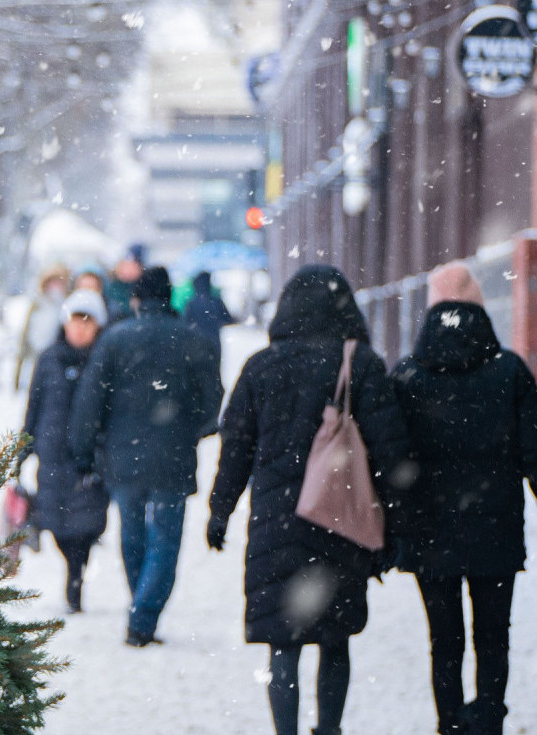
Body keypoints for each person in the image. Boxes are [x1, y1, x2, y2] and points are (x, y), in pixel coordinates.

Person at [206, 264, 409, 735]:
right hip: (343, 518)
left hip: (278, 524)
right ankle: (330, 729)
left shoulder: (261, 366)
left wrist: (221, 510)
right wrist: (396, 527)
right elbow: (390, 451)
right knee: (335, 639)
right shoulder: (359, 363)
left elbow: (236, 446)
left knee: (284, 643)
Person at [391, 262, 537, 735]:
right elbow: (534, 450)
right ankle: (489, 716)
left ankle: (449, 723)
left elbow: (391, 457)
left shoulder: (409, 375)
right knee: (494, 636)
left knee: (445, 639)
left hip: (430, 531)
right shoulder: (510, 370)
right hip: (495, 527)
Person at [68, 266, 224, 646]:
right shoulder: (193, 340)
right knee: (166, 540)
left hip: (123, 457)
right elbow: (212, 401)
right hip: (173, 456)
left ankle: (140, 606)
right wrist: (191, 431)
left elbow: (90, 401)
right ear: (169, 298)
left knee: (132, 535)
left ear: (136, 299)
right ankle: (144, 613)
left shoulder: (114, 340)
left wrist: (84, 451)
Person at [20, 289, 111, 614]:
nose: (80, 329)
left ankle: (76, 579)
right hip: (52, 455)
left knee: (86, 527)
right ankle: (73, 572)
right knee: (57, 525)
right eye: (76, 321)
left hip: (89, 458)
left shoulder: (105, 359)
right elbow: (34, 406)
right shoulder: (49, 358)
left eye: (88, 322)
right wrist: (23, 448)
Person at [14, 263, 71, 390]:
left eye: (59, 283)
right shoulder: (37, 304)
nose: (55, 287)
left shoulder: (66, 306)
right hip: (33, 358)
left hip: (55, 360)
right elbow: (26, 334)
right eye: (52, 282)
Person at [183, 270, 235, 365]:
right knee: (214, 373)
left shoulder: (191, 303)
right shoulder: (217, 301)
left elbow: (185, 323)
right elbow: (229, 319)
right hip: (214, 343)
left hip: (196, 344)